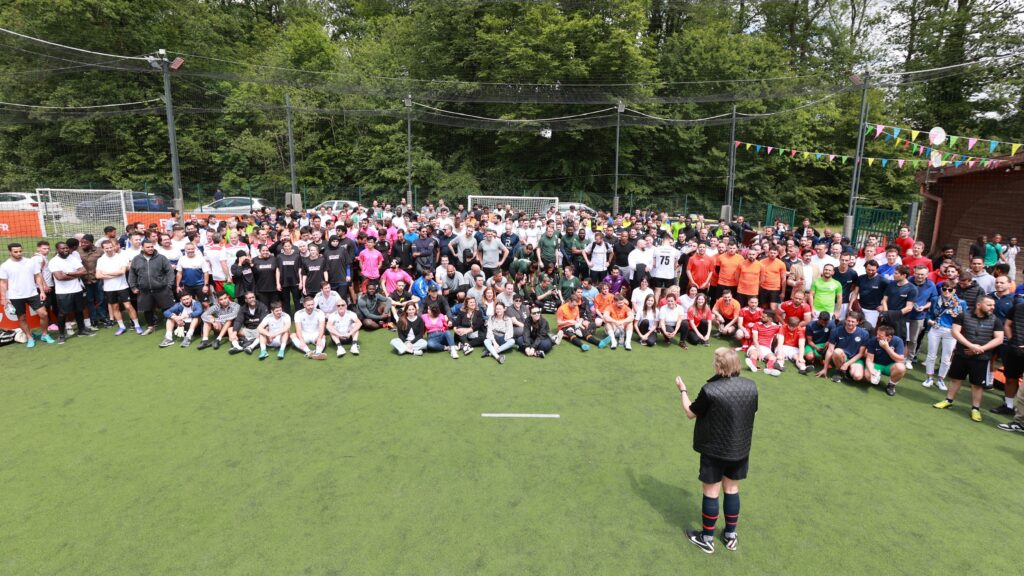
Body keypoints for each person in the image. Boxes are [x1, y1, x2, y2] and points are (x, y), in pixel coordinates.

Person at [675, 347, 758, 554]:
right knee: (731, 489)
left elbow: (689, 412)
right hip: (739, 449)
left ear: (719, 366)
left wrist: (682, 390)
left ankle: (707, 538)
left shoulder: (709, 390)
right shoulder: (751, 386)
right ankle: (730, 535)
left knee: (711, 492)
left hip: (714, 451)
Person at [933, 295, 1004, 422]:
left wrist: (980, 349)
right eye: (989, 305)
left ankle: (975, 409)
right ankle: (948, 400)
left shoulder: (995, 320)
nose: (992, 307)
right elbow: (955, 332)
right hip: (961, 355)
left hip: (981, 358)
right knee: (955, 379)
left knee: (977, 385)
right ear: (978, 305)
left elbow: (999, 339)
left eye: (993, 305)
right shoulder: (963, 315)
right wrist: (971, 346)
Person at [128, 240, 175, 336]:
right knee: (147, 309)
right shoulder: (136, 259)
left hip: (161, 289)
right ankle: (150, 327)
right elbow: (132, 274)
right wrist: (133, 286)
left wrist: (169, 285)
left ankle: (171, 326)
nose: (150, 249)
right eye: (148, 247)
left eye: (151, 247)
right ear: (142, 248)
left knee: (167, 308)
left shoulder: (161, 258)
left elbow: (170, 272)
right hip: (144, 290)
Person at [96, 238, 142, 335]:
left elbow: (122, 272)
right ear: (103, 249)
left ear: (113, 247)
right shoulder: (101, 260)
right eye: (106, 248)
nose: (109, 249)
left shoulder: (120, 257)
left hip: (123, 287)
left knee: (128, 306)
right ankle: (121, 327)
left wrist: (106, 274)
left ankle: (137, 325)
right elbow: (98, 275)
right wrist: (112, 274)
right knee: (115, 307)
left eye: (110, 247)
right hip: (109, 289)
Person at [816, 312, 870, 383]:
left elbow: (860, 354)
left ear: (857, 322)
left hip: (855, 359)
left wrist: (847, 364)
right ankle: (839, 372)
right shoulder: (836, 331)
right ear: (845, 320)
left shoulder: (864, 334)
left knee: (857, 377)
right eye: (848, 321)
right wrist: (825, 369)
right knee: (837, 351)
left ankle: (847, 371)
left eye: (853, 321)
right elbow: (830, 350)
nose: (850, 323)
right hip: (841, 356)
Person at [997, 295, 1024, 432]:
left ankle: (1020, 422)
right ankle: (1009, 407)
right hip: (1014, 351)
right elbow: (1007, 324)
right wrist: (1013, 339)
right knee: (1011, 378)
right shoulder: (1018, 308)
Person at [864, 324, 906, 396]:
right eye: (877, 334)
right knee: (867, 376)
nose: (877, 337)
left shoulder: (898, 341)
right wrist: (872, 371)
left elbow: (900, 360)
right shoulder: (873, 340)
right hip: (876, 364)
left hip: (889, 366)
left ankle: (891, 385)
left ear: (889, 337)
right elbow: (869, 359)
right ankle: (877, 375)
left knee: (901, 367)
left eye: (880, 336)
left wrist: (887, 348)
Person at [290, 296, 328, 360]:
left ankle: (318, 353)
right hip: (304, 334)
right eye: (309, 305)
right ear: (304, 305)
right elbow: (298, 329)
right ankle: (308, 352)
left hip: (316, 334)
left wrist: (319, 338)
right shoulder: (298, 313)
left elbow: (322, 327)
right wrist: (301, 340)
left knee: (323, 337)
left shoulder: (320, 312)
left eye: (312, 304)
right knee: (292, 335)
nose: (311, 307)